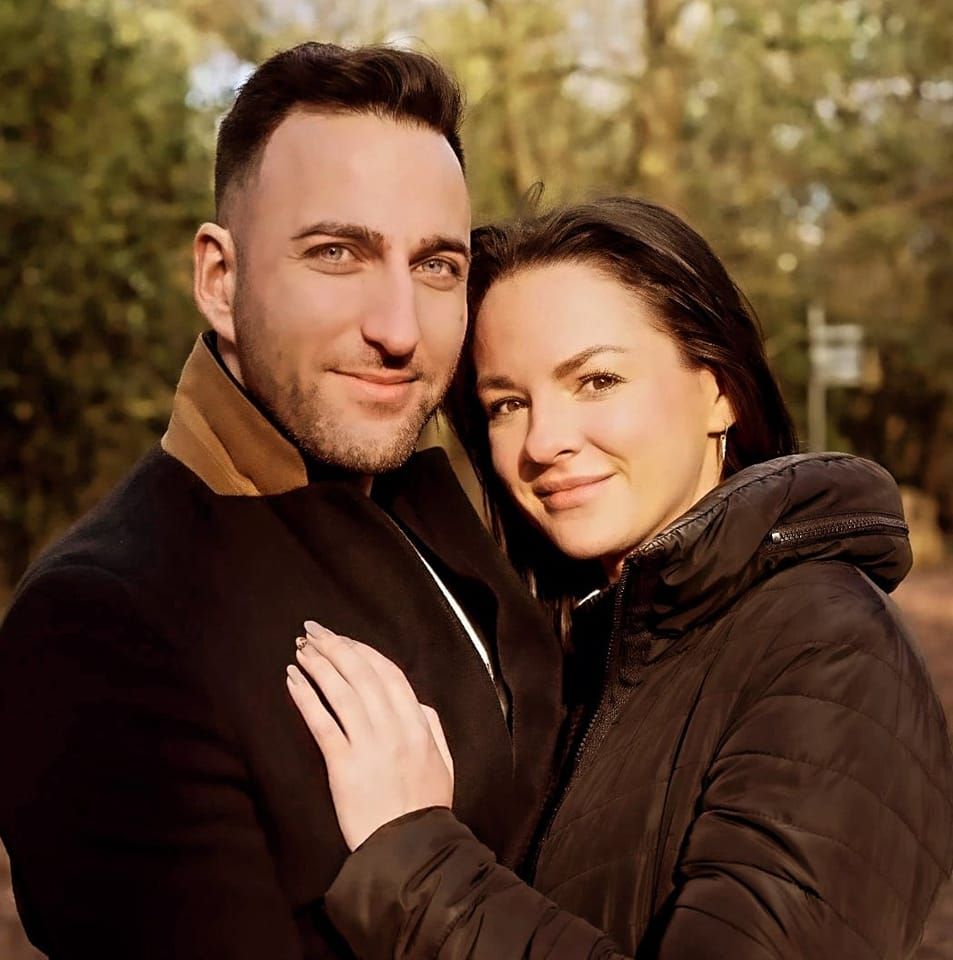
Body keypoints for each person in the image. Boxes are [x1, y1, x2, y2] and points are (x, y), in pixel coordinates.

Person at [0, 43, 565, 958]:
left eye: (435, 266)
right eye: (337, 253)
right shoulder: (103, 622)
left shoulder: (450, 506)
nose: (397, 329)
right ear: (219, 281)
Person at [288, 197, 953, 959]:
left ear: (719, 391)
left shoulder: (826, 649)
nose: (543, 441)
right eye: (507, 404)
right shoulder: (591, 647)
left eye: (597, 380)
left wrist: (417, 859)